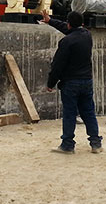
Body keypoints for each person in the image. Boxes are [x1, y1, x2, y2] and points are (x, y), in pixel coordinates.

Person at [43, 10, 102, 154]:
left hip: (70, 83)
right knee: (88, 112)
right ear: (81, 23)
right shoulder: (87, 35)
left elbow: (58, 65)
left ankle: (68, 145)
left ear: (69, 23)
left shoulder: (66, 41)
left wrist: (51, 83)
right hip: (86, 81)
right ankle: (96, 143)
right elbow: (71, 29)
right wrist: (50, 21)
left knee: (69, 114)